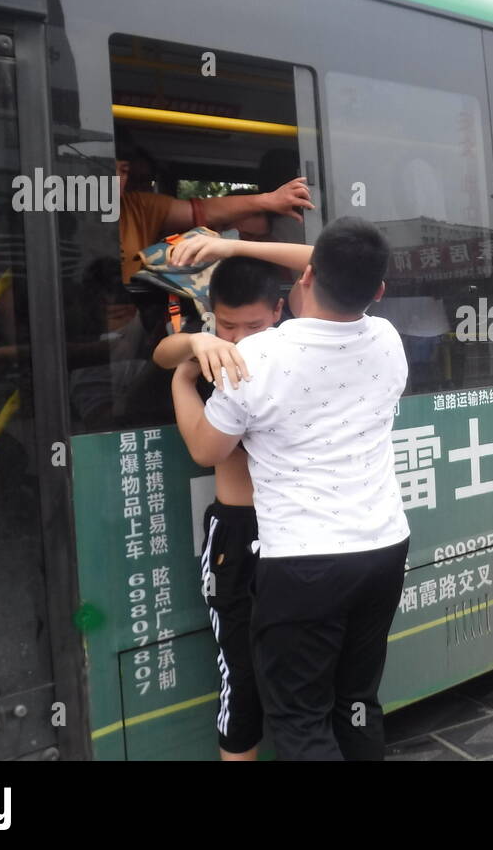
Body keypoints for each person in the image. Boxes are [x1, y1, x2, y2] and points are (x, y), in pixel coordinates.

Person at [168, 218, 409, 760]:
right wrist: (232, 247)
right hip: (384, 549)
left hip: (305, 563)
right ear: (378, 292)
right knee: (356, 703)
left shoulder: (256, 358)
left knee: (301, 722)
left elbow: (207, 450)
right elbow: (333, 263)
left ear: (306, 276)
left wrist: (182, 381)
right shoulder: (387, 338)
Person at [153, 253, 305, 760]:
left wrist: (222, 245)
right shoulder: (214, 348)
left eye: (255, 324)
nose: (240, 338)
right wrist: (196, 343)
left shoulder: (300, 342)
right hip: (239, 532)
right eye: (227, 324)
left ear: (281, 310)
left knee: (304, 667)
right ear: (212, 314)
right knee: (241, 675)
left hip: (295, 526)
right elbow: (163, 353)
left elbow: (324, 260)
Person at [114, 134, 314, 283]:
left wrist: (268, 200)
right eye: (240, 235)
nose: (118, 180)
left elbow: (318, 261)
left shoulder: (139, 206)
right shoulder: (196, 267)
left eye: (124, 171)